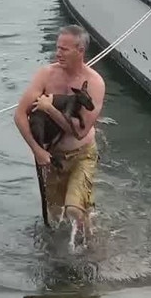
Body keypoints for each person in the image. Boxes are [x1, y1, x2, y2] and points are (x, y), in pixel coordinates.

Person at [14, 24, 105, 242]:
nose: (58, 53)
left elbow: (80, 131)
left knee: (73, 209)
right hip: (53, 157)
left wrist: (49, 109)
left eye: (64, 49)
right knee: (56, 216)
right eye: (57, 47)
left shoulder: (94, 83)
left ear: (80, 51)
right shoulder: (46, 75)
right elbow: (19, 116)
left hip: (82, 154)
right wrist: (37, 151)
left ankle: (92, 249)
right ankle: (61, 255)